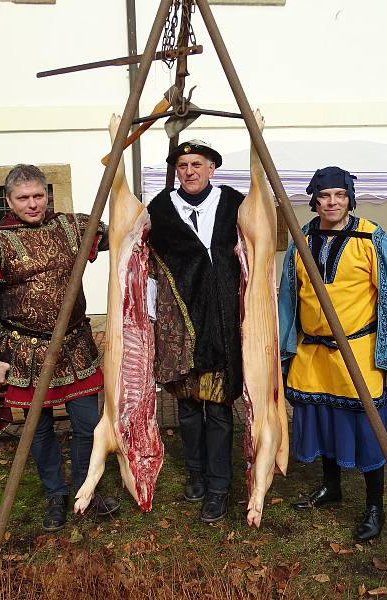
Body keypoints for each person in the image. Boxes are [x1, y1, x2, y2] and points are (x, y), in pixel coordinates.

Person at [0, 164, 120, 531]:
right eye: (23, 198)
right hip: (23, 351)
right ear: (9, 201)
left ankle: (87, 486)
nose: (32, 204)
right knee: (38, 427)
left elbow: (125, 233)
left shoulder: (74, 226)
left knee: (86, 422)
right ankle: (56, 494)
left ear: (47, 194)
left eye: (38, 196)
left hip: (75, 344)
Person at [278, 166, 387, 542]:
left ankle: (375, 505)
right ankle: (331, 487)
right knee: (324, 419)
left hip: (357, 352)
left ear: (349, 198)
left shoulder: (370, 238)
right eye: (324, 196)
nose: (331, 202)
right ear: (315, 200)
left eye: (338, 195)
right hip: (314, 352)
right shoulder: (301, 237)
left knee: (368, 430)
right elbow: (288, 296)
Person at [147, 140, 243, 523]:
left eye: (197, 164)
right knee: (187, 409)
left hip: (220, 320)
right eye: (183, 164)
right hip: (179, 322)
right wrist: (153, 318)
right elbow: (150, 263)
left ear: (212, 168)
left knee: (218, 409)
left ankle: (219, 486)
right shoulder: (160, 208)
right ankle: (197, 475)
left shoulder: (233, 203)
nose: (189, 171)